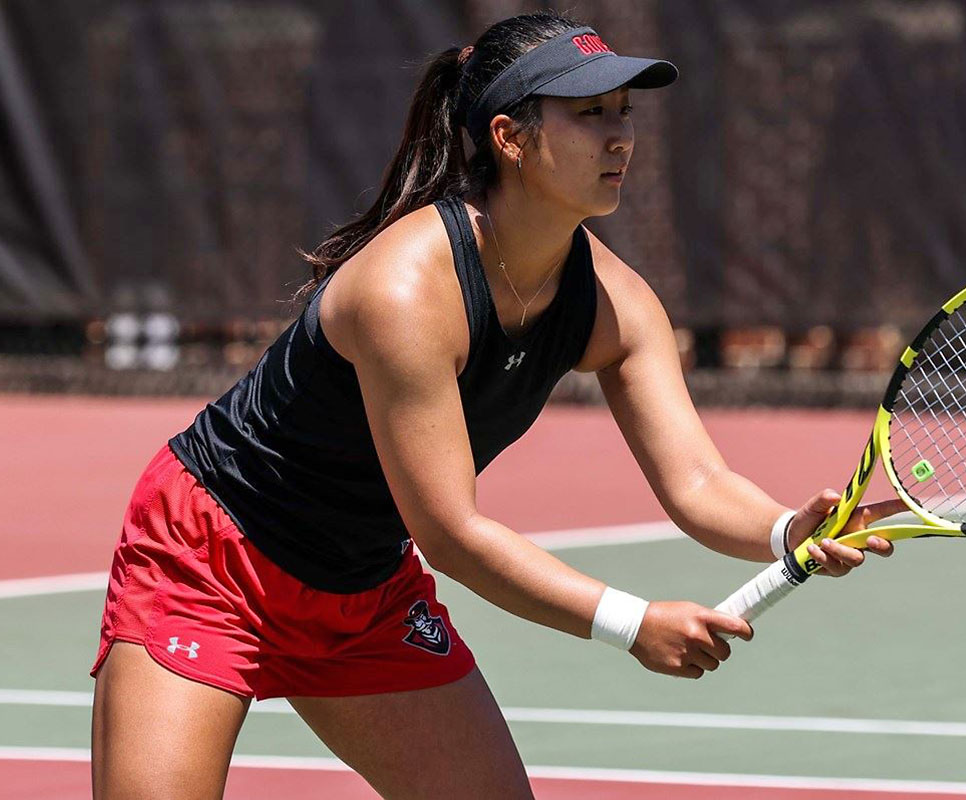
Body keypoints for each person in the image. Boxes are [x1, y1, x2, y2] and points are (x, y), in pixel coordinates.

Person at [90, 12, 901, 799]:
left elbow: (696, 482)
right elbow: (452, 534)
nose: (620, 136)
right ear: (511, 138)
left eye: (624, 113)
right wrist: (629, 621)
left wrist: (785, 529)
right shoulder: (403, 290)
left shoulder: (616, 304)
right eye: (589, 116)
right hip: (211, 561)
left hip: (363, 586)